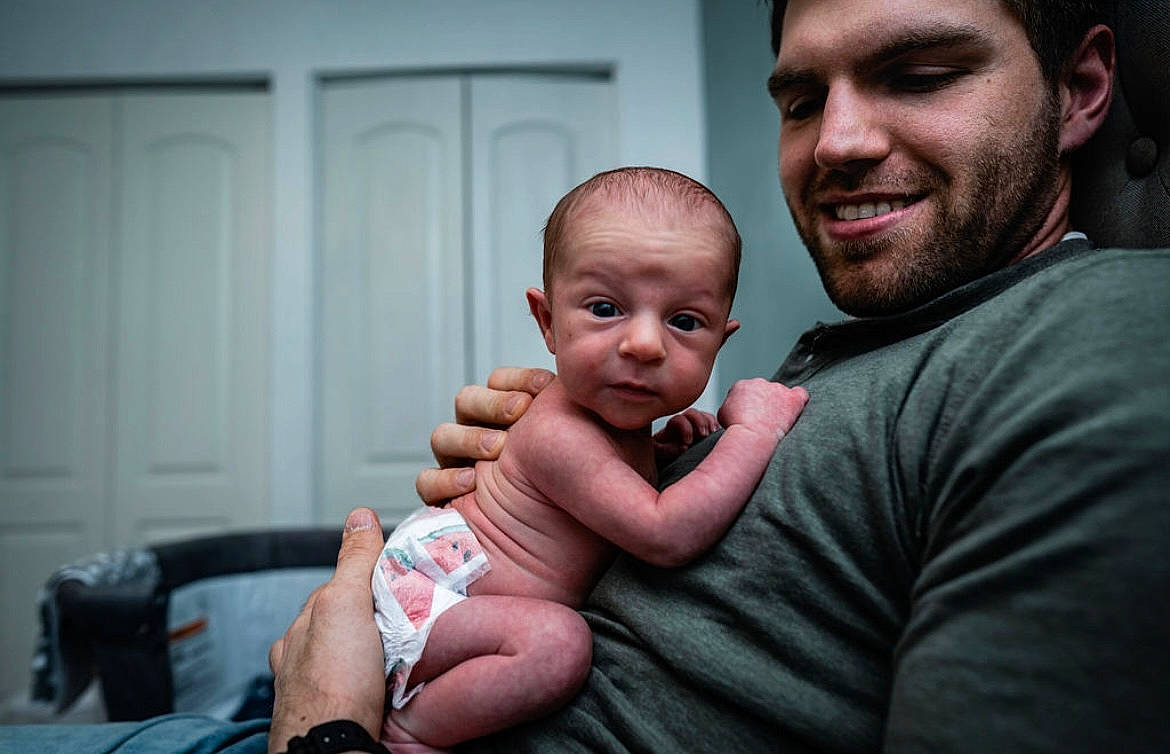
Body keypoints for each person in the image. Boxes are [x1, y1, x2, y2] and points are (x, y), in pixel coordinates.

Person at [2, 0, 1166, 752]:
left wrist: (331, 734)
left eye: (917, 71)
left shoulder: (1091, 346)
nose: (838, 140)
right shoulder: (857, 347)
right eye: (801, 98)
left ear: (1081, 92)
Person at [370, 166, 807, 750]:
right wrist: (753, 432)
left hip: (460, 609)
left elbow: (595, 496)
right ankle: (407, 733)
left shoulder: (612, 427)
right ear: (548, 322)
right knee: (557, 644)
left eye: (684, 322)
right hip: (435, 597)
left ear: (718, 343)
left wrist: (663, 449)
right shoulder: (557, 431)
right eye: (605, 309)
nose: (646, 344)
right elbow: (664, 531)